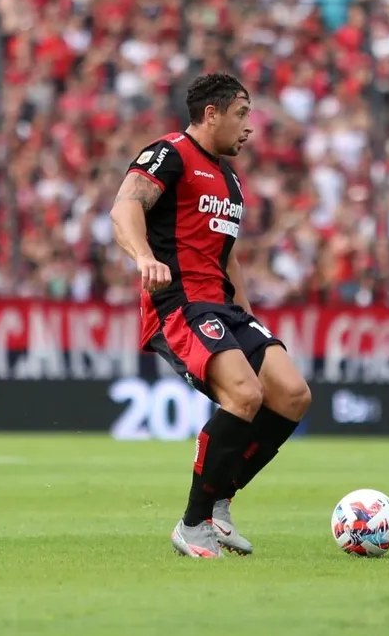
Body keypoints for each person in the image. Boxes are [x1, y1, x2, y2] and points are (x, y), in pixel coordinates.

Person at [109, 73, 312, 558]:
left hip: (222, 305)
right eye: (242, 114)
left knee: (292, 394)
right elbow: (125, 207)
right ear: (212, 113)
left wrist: (247, 314)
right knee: (244, 394)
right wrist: (143, 258)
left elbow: (228, 256)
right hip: (178, 301)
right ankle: (193, 523)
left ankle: (219, 503)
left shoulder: (231, 180)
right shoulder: (170, 153)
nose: (250, 127)